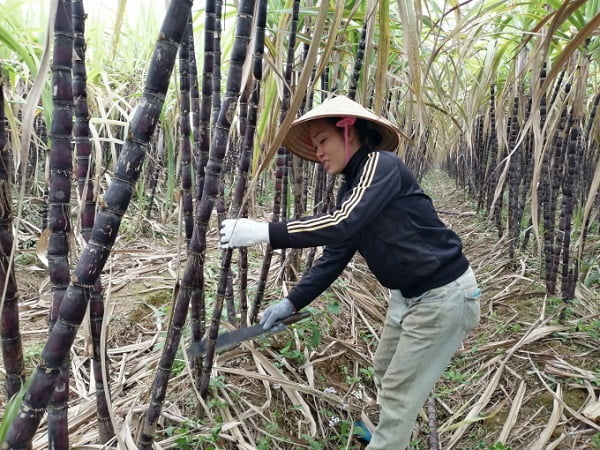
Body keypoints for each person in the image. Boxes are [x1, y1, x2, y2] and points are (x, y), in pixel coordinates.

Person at [219, 95, 481, 449]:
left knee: (402, 391)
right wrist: (292, 302)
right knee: (386, 370)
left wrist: (264, 231)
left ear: (349, 130)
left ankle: (389, 440)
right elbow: (335, 254)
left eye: (323, 140)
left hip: (443, 296)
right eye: (314, 145)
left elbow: (342, 224)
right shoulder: (353, 189)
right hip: (408, 297)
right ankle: (388, 432)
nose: (319, 152)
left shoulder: (380, 165)